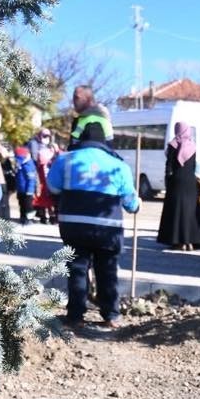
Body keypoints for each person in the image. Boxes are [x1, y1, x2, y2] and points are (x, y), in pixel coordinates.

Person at [46, 120, 140, 329]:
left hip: (73, 225)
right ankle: (111, 315)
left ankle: (76, 315)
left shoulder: (65, 160)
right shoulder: (118, 165)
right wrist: (137, 205)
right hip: (108, 228)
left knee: (77, 268)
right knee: (107, 269)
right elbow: (130, 203)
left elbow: (52, 187)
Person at [157, 121, 200, 250]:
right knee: (189, 211)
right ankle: (190, 242)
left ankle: (178, 242)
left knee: (177, 211)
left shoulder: (173, 145)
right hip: (190, 182)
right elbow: (193, 166)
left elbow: (169, 165)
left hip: (177, 181)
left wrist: (167, 179)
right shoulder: (193, 146)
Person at [29, 129, 57, 224]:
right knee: (41, 195)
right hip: (41, 174)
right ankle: (43, 215)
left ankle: (51, 215)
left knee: (49, 196)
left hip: (50, 174)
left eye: (47, 136)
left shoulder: (51, 147)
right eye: (44, 136)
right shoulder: (36, 145)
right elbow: (37, 159)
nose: (46, 138)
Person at [13, 145, 38, 224]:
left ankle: (29, 219)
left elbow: (31, 179)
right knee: (21, 204)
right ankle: (23, 217)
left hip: (27, 191)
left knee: (28, 206)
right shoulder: (21, 165)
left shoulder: (28, 165)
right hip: (21, 189)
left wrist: (30, 191)